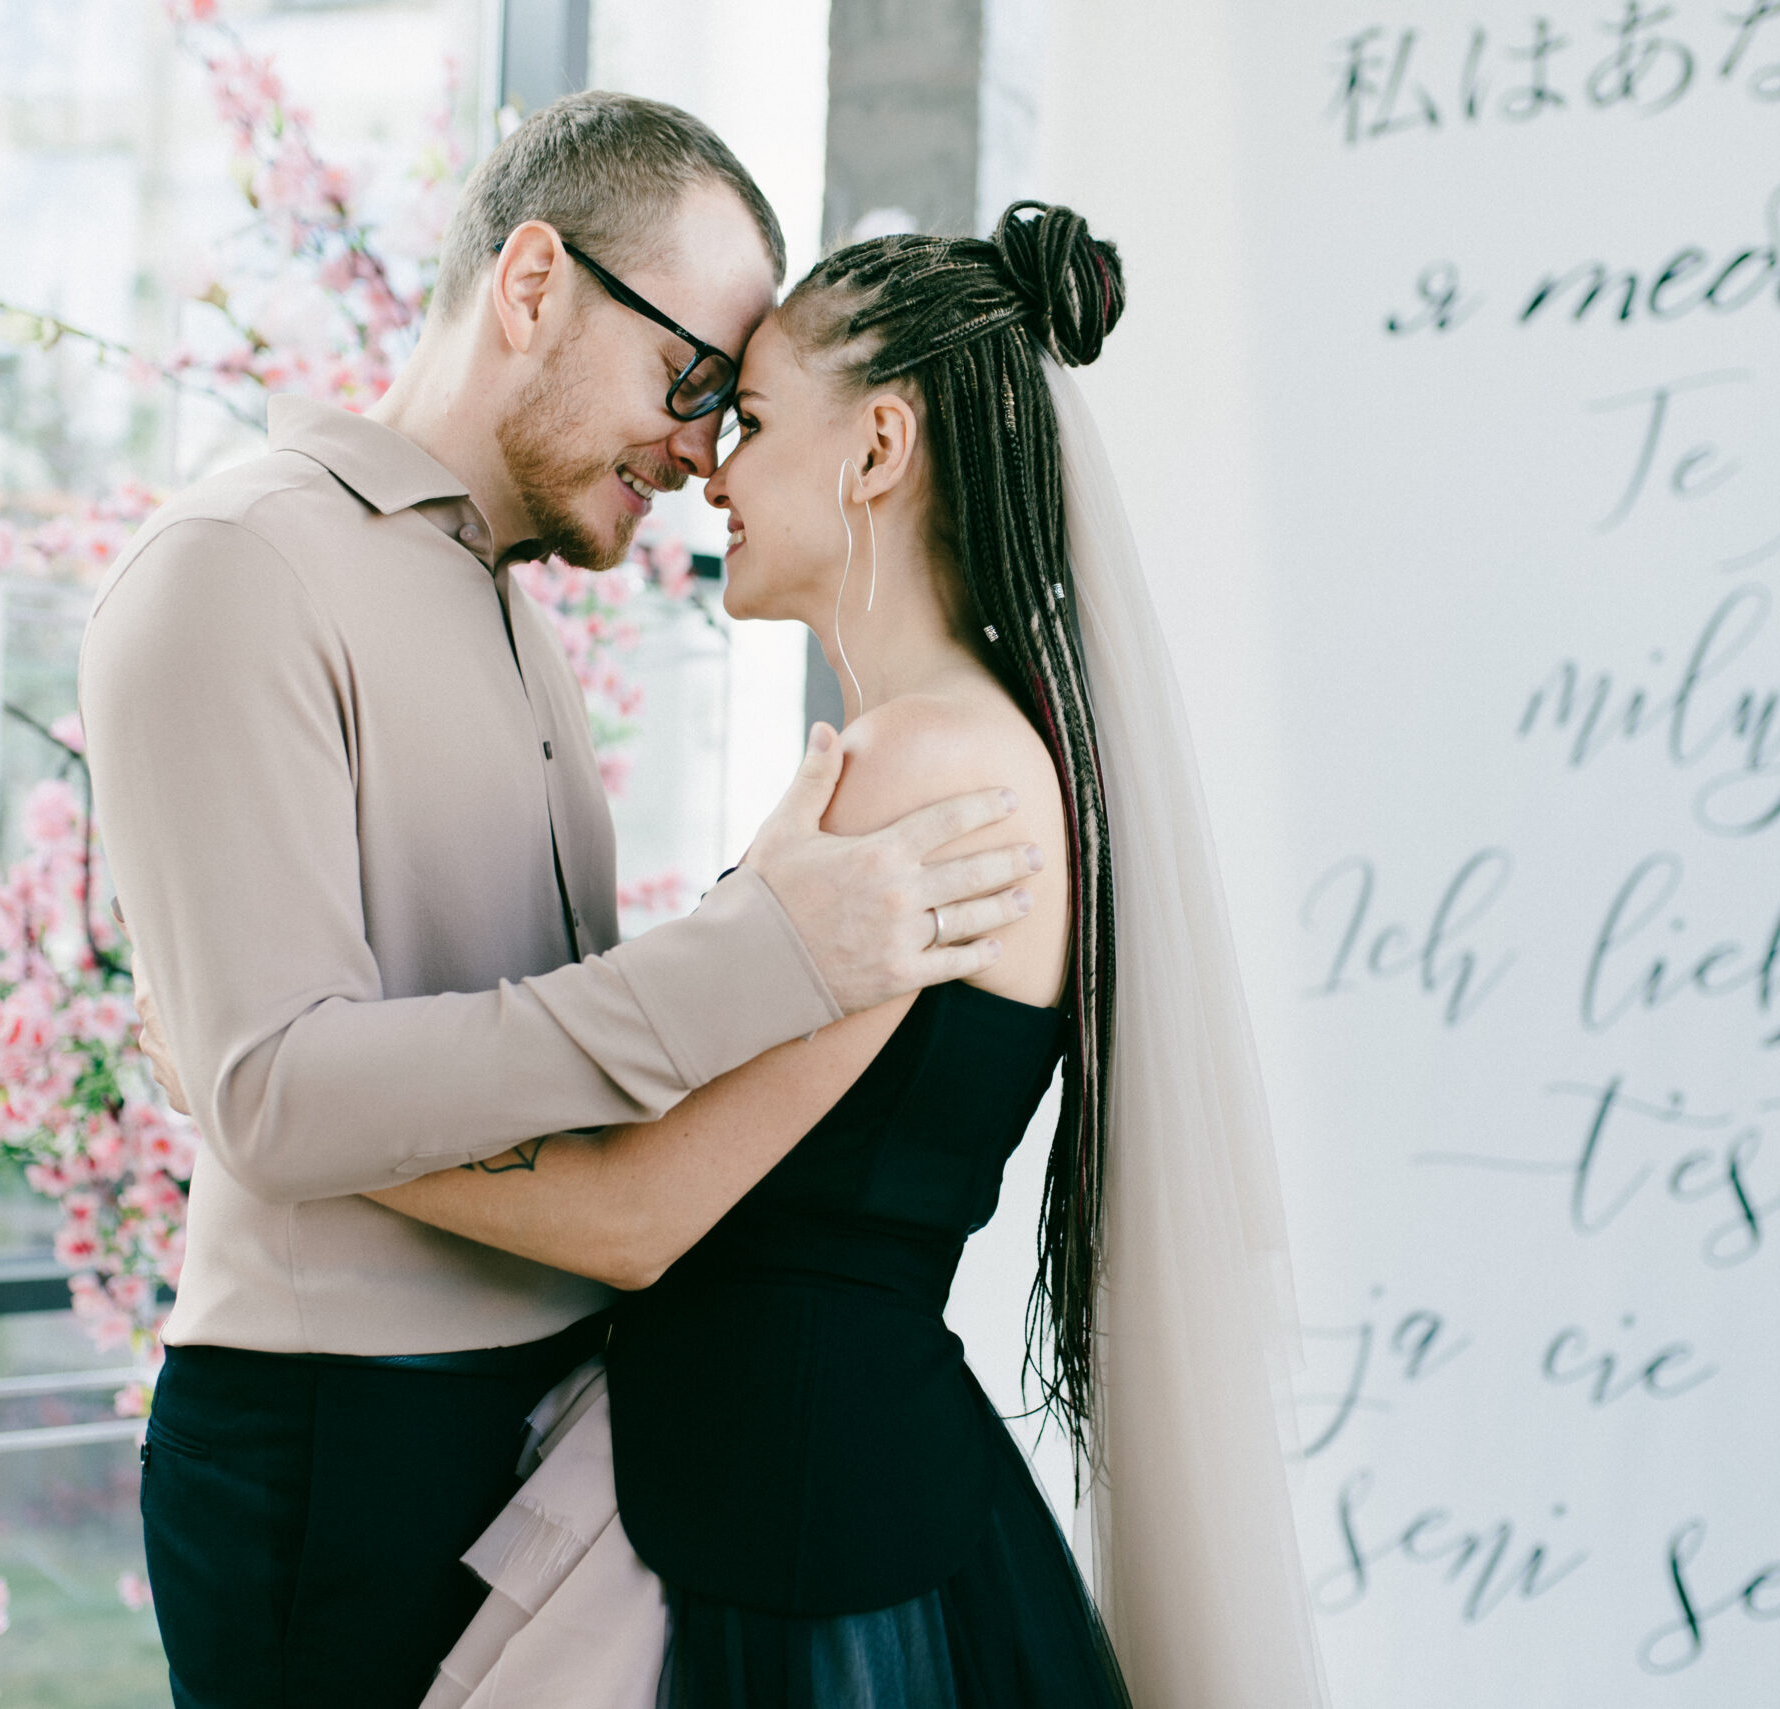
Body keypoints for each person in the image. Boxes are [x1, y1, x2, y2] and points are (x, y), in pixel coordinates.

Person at [145, 201, 1332, 1708]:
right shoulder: (963, 745)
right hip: (790, 1469)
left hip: (784, 1521)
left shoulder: (923, 767)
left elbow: (638, 1210)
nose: (711, 466)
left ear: (879, 448)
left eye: (752, 418)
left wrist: (262, 1108)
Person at [79, 93, 1042, 1709]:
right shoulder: (237, 565)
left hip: (551, 1422)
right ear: (532, 283)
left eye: (734, 407)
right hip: (339, 1435)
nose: (703, 448)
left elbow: (515, 1083)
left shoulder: (519, 620)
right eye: (692, 378)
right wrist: (766, 956)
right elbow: (278, 1091)